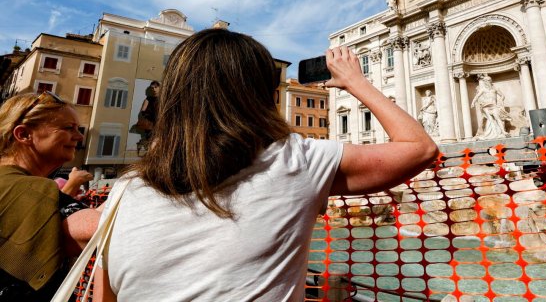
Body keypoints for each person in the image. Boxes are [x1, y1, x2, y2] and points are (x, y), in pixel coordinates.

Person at [93, 28, 438, 301]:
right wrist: (355, 81)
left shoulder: (125, 190)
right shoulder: (295, 162)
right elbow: (419, 148)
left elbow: (105, 295)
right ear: (262, 94)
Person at [0, 91, 102, 301]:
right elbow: (105, 228)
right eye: (68, 128)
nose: (80, 136)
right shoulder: (28, 189)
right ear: (24, 134)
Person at [471, 73, 514, 139]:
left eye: (489, 80)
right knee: (490, 119)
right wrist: (473, 103)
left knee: (497, 118)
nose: (488, 82)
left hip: (494, 105)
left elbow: (502, 95)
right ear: (484, 82)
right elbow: (477, 97)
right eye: (486, 81)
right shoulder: (483, 89)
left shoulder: (495, 89)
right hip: (486, 106)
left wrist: (501, 101)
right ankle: (494, 133)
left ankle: (503, 132)